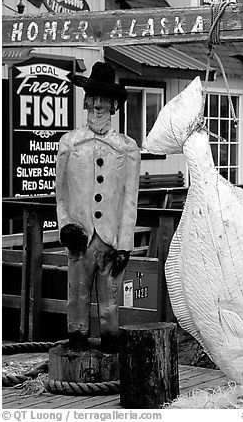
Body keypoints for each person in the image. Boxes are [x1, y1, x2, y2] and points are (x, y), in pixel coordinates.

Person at [56, 61, 141, 351]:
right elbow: (61, 195)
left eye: (105, 102)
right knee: (77, 296)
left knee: (110, 300)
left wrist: (125, 245)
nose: (99, 108)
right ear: (86, 102)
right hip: (80, 237)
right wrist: (66, 226)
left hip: (109, 240)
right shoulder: (69, 144)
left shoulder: (128, 149)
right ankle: (76, 341)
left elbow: (130, 200)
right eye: (94, 101)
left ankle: (110, 345)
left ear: (114, 106)